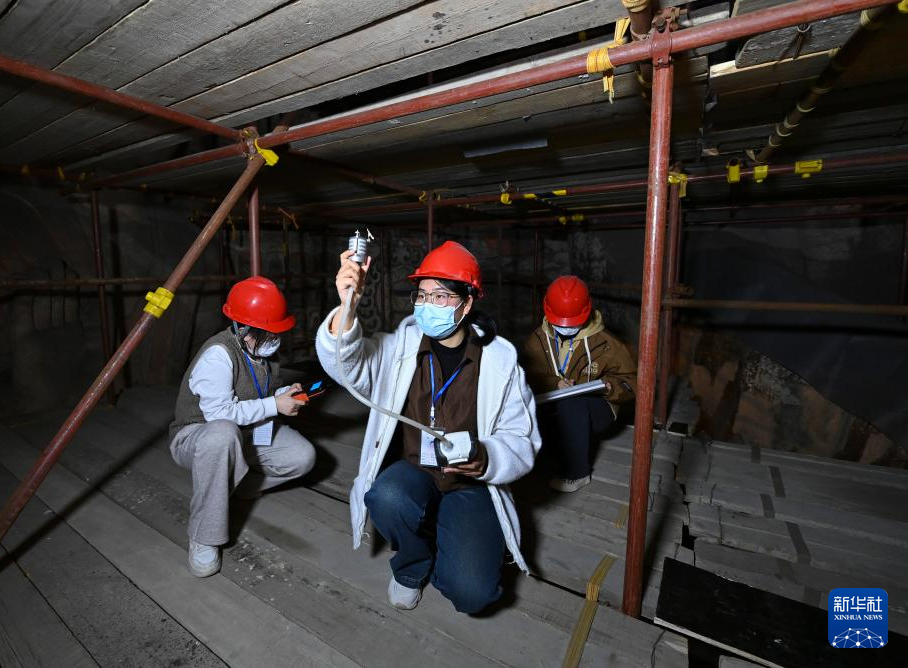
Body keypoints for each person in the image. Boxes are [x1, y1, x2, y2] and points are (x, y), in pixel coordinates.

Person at [315, 241, 541, 614]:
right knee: (386, 496)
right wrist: (347, 308)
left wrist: (487, 459)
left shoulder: (501, 366)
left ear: (466, 303)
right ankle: (412, 564)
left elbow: (522, 439)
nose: (426, 304)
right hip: (414, 470)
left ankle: (454, 539)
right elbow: (347, 367)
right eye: (421, 295)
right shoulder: (399, 348)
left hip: (469, 486)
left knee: (472, 594)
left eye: (440, 296)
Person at [168, 277, 316, 577]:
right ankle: (204, 535)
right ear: (241, 328)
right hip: (198, 436)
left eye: (276, 332)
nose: (274, 338)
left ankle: (241, 486)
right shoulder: (218, 355)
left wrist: (282, 395)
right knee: (222, 434)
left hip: (244, 431)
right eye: (266, 332)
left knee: (302, 457)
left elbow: (256, 394)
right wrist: (274, 406)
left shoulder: (262, 352)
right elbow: (218, 415)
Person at [520, 275, 637, 493]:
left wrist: (610, 387)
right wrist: (554, 383)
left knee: (572, 402)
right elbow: (525, 374)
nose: (566, 327)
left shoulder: (606, 343)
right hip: (551, 406)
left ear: (587, 312)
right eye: (559, 322)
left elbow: (631, 380)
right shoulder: (538, 339)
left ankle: (577, 472)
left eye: (573, 322)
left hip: (594, 409)